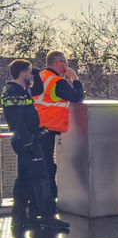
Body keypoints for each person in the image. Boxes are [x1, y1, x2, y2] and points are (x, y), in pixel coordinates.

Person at [2, 60, 56, 238]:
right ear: (22, 72)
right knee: (41, 179)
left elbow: (38, 88)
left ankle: (21, 218)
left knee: (24, 180)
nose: (32, 76)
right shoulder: (13, 92)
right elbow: (17, 121)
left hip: (28, 140)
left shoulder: (21, 90)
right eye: (29, 72)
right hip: (27, 141)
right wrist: (29, 140)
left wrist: (35, 72)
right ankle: (47, 218)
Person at [33, 50, 84, 226]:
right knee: (47, 171)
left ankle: (34, 210)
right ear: (57, 62)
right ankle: (49, 214)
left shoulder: (41, 76)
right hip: (46, 130)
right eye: (64, 61)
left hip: (37, 130)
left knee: (39, 170)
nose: (66, 65)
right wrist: (75, 78)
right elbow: (77, 97)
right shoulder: (56, 81)